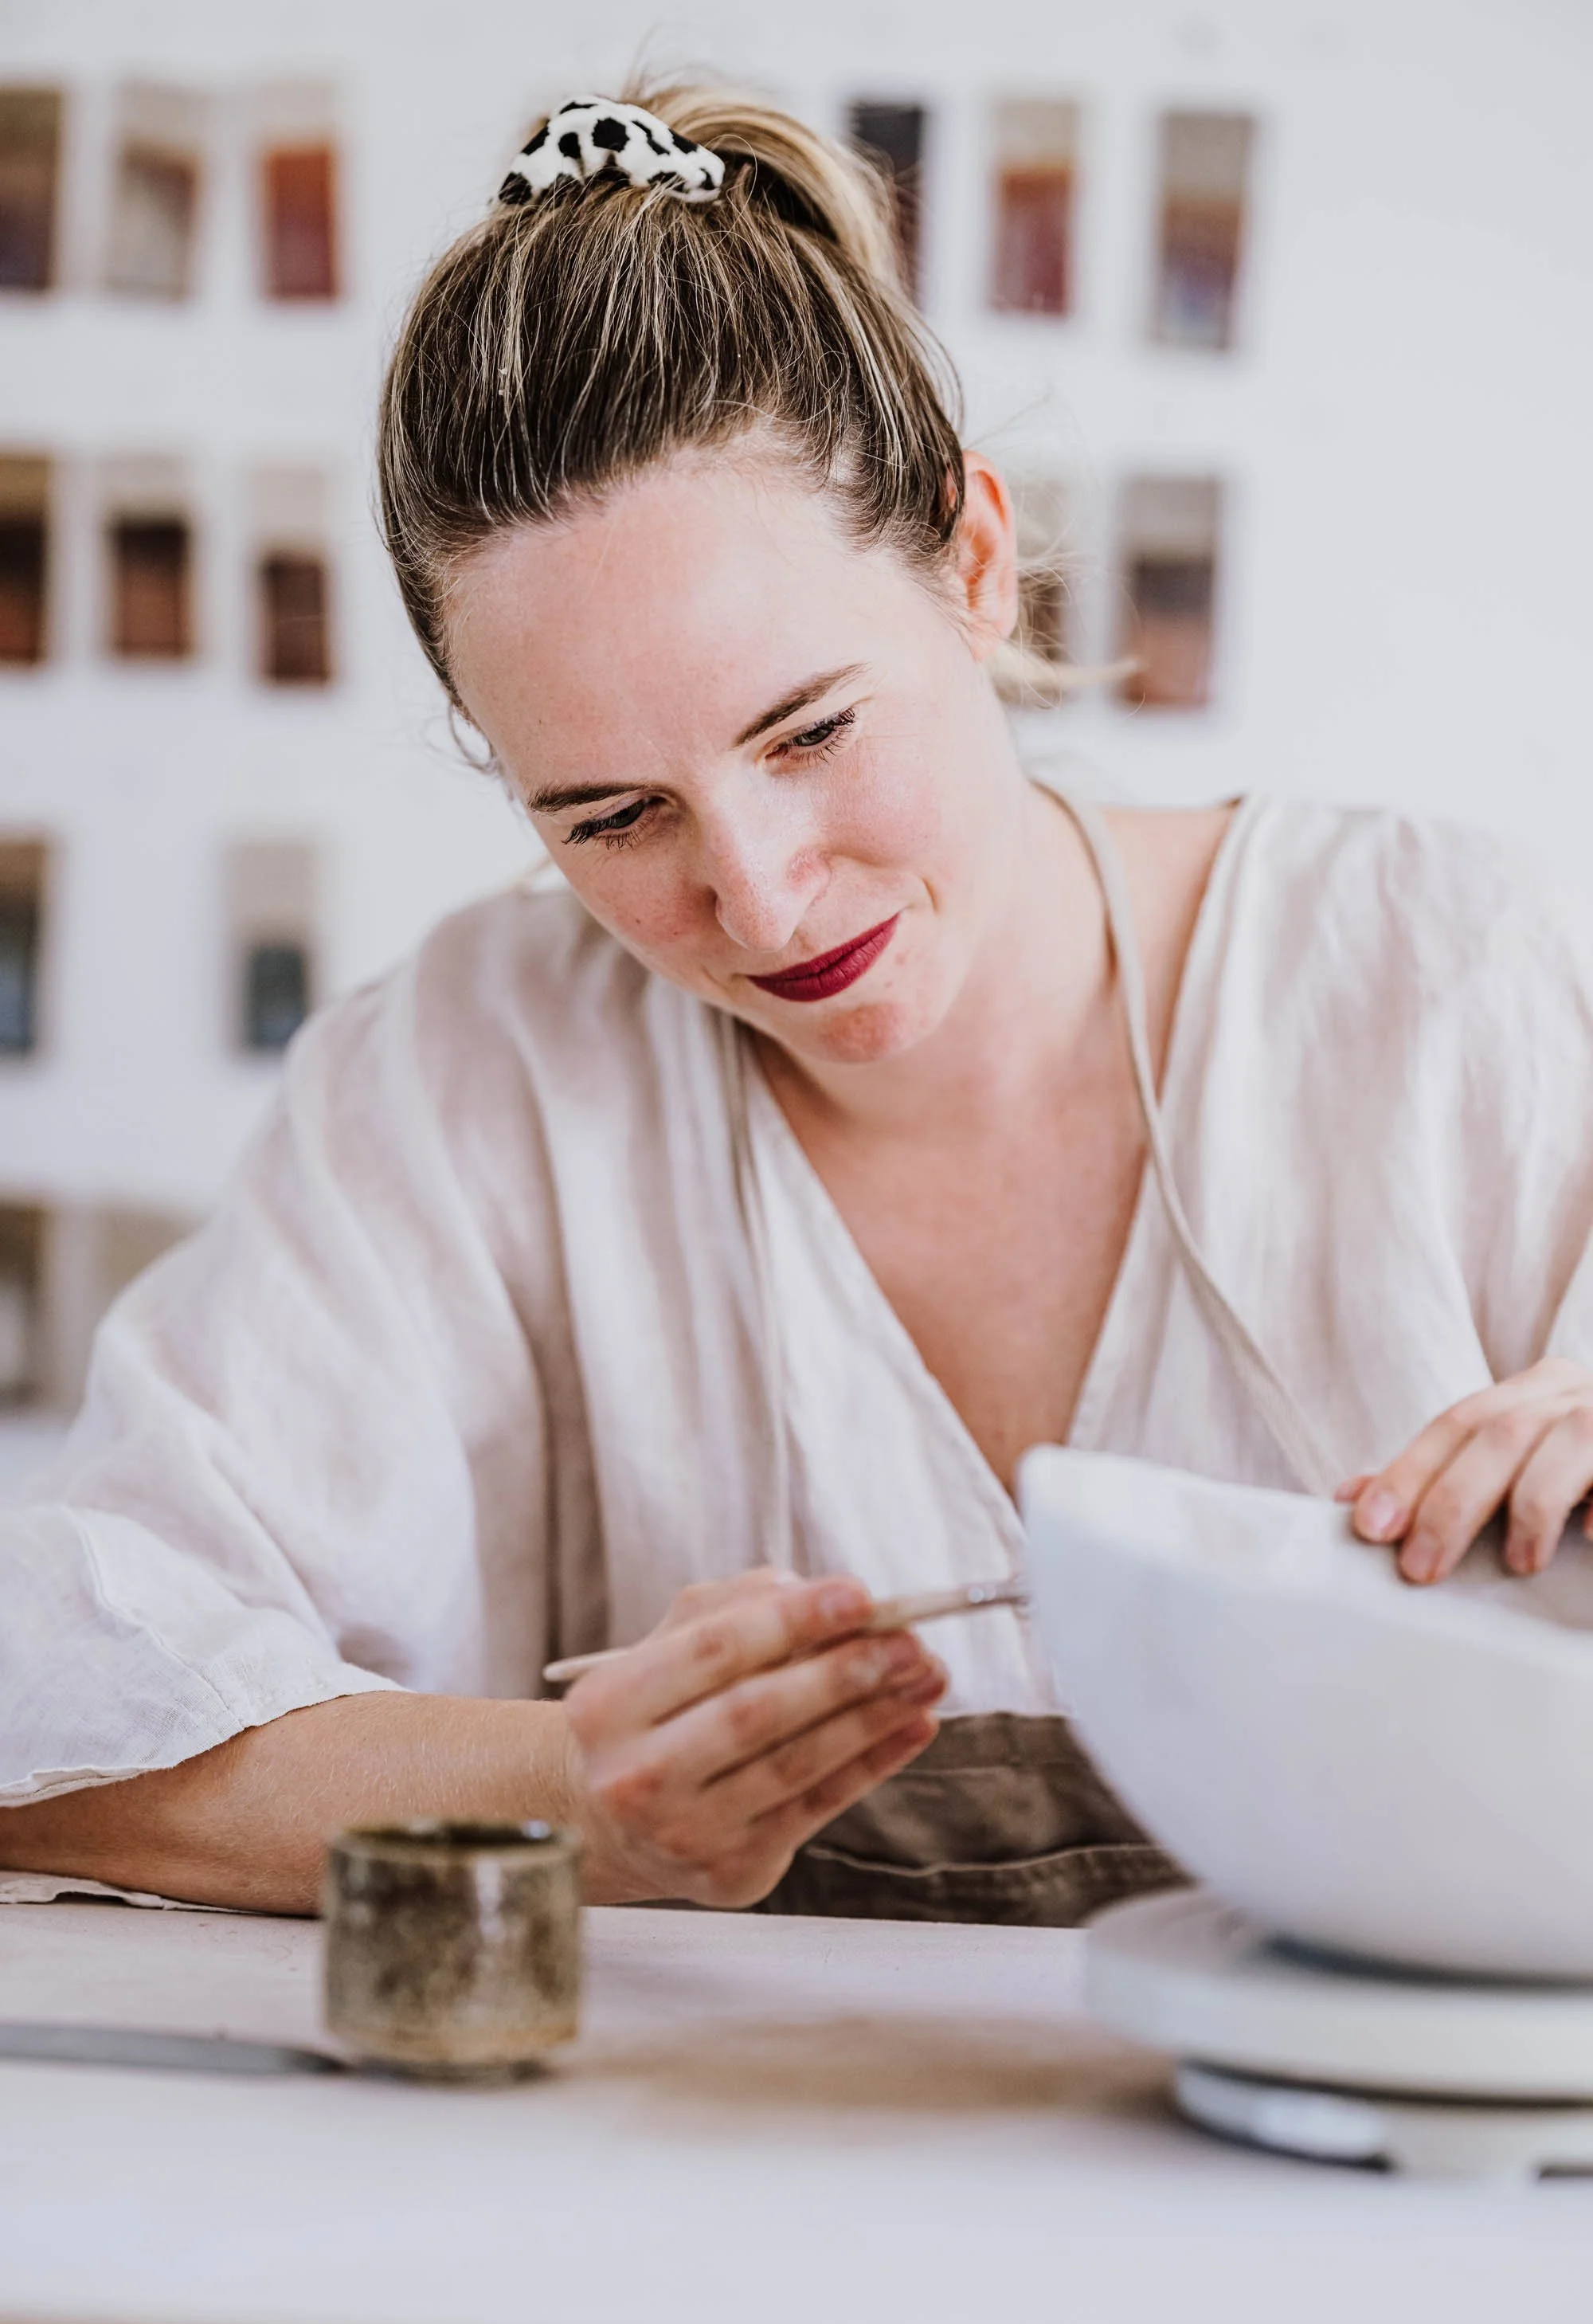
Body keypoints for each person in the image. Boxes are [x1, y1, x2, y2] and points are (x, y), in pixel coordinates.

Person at [5, 86, 1593, 1923]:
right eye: (610, 815)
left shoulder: (1441, 974)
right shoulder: (473, 1079)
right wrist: (561, 1796)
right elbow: (52, 1713)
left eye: (811, 731)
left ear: (973, 561)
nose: (753, 898)